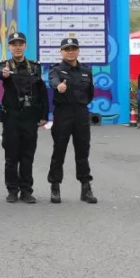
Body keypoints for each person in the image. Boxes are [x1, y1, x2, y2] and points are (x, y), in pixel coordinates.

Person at [0, 31, 49, 203]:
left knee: (27, 156)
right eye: (14, 44)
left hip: (29, 116)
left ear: (25, 46)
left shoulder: (34, 67)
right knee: (11, 156)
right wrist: (5, 74)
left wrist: (44, 114)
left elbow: (42, 92)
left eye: (20, 44)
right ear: (9, 47)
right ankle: (12, 190)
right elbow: (1, 75)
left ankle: (26, 190)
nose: (17, 47)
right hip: (11, 117)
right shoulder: (4, 65)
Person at [47, 37, 97, 204]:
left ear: (78, 50)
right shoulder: (56, 69)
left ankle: (86, 188)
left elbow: (90, 93)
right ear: (61, 52)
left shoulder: (86, 70)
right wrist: (58, 86)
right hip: (63, 113)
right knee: (59, 151)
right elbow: (53, 81)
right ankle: (55, 186)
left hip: (81, 113)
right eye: (67, 49)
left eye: (73, 49)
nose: (70, 52)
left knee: (83, 151)